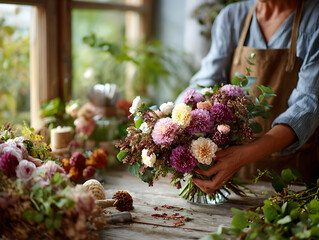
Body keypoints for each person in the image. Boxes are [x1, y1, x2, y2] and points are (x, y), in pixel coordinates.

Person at [177, 0, 319, 194]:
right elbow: (207, 80)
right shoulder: (232, 17)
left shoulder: (314, 19)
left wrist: (243, 156)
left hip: (295, 177)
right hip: (230, 178)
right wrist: (175, 121)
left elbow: (309, 105)